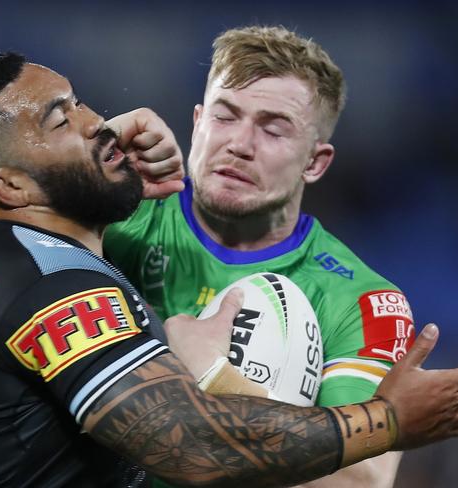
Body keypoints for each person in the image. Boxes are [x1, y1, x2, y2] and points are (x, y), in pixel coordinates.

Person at [0, 52, 458, 488]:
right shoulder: (54, 286)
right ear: (9, 186)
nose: (100, 123)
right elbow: (191, 445)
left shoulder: (19, 253)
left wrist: (95, 174)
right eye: (61, 118)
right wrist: (388, 421)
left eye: (80, 102)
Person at [104, 25, 415, 487]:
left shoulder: (361, 301)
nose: (240, 145)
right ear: (196, 123)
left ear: (315, 161)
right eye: (225, 117)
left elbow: (360, 480)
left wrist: (215, 377)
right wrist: (86, 166)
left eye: (273, 130)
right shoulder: (115, 220)